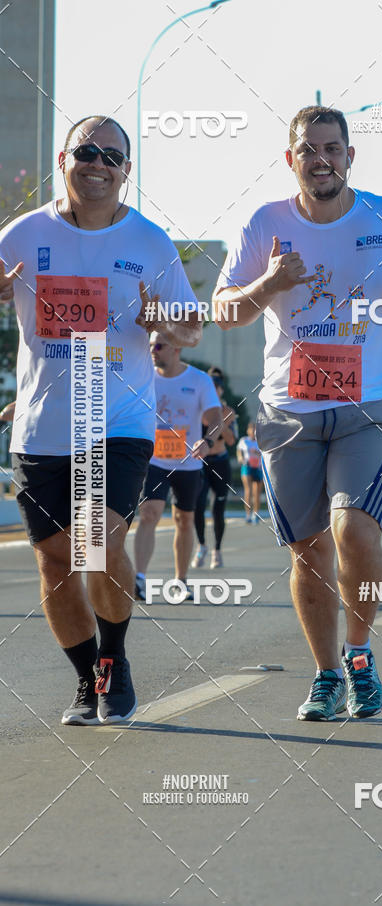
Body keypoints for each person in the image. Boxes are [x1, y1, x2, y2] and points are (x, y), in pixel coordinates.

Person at [213, 105, 382, 721]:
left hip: (366, 406)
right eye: (308, 149)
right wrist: (268, 284)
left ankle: (359, 655)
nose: (321, 159)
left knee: (354, 530)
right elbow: (225, 310)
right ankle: (326, 675)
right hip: (289, 409)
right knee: (308, 551)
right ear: (291, 158)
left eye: (332, 148)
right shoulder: (264, 222)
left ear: (350, 156)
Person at [0, 115, 203, 725]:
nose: (97, 163)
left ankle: (114, 660)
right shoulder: (20, 234)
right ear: (64, 159)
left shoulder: (149, 243)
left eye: (110, 156)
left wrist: (161, 324)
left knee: (97, 541)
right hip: (41, 426)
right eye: (86, 151)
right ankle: (89, 678)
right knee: (57, 562)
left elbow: (190, 326)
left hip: (117, 421)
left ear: (126, 171)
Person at [134, 335, 222, 599]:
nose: (152, 351)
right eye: (149, 345)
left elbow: (216, 417)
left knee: (184, 520)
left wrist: (207, 441)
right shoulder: (142, 375)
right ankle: (139, 579)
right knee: (150, 512)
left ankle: (181, 581)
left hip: (188, 462)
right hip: (153, 459)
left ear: (177, 348)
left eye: (159, 346)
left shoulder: (198, 380)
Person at [193, 366, 238, 569]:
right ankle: (201, 545)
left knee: (218, 508)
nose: (215, 389)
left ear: (221, 390)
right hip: (201, 463)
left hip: (220, 461)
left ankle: (217, 550)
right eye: (211, 385)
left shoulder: (228, 412)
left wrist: (223, 422)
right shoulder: (198, 409)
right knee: (198, 505)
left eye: (218, 386)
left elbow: (231, 441)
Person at [237, 422, 263, 525]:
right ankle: (248, 514)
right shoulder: (244, 440)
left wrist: (258, 453)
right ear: (248, 431)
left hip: (258, 467)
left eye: (255, 431)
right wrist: (240, 458)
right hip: (247, 466)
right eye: (251, 430)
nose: (253, 433)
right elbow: (239, 451)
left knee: (256, 493)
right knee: (248, 490)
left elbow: (265, 453)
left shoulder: (260, 442)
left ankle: (255, 514)